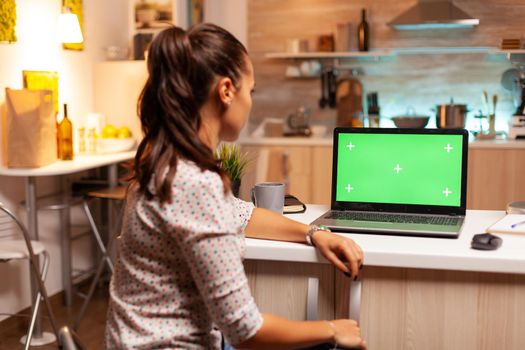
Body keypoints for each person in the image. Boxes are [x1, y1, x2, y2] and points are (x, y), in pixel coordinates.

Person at [105, 23, 366, 350]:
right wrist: (333, 329)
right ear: (227, 90)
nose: (250, 102)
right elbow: (245, 330)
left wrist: (314, 234)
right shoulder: (194, 183)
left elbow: (239, 213)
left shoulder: (165, 162)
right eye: (251, 91)